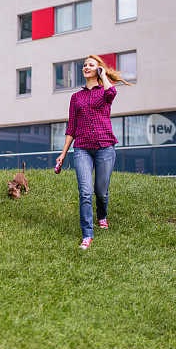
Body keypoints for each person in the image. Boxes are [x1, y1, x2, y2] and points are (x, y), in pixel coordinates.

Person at [55, 55, 130, 250]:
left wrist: (104, 75)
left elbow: (112, 93)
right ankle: (87, 234)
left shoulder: (104, 91)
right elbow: (72, 126)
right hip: (82, 149)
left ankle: (102, 216)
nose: (86, 67)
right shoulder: (76, 98)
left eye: (91, 65)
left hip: (105, 147)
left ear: (98, 69)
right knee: (85, 192)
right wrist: (63, 153)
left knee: (101, 192)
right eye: (85, 65)